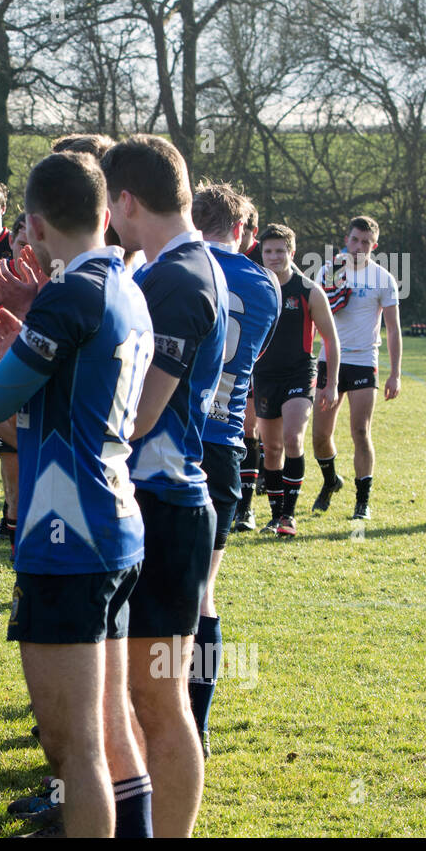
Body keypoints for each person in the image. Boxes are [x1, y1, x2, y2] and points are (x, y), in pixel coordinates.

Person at [0, 151, 156, 837]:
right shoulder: (120, 283)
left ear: (30, 223)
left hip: (69, 538)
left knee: (74, 749)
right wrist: (19, 331)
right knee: (112, 731)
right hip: (114, 523)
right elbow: (34, 415)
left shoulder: (70, 295)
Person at [101, 134, 227, 838]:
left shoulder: (179, 277)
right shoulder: (169, 268)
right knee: (132, 691)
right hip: (150, 503)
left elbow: (141, 411)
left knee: (159, 694)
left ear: (124, 200)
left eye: (109, 207)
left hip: (168, 507)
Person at [188, 183, 279, 758]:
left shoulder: (170, 267)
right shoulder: (263, 284)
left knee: (134, 589)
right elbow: (254, 356)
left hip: (166, 439)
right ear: (243, 232)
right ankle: (194, 726)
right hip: (223, 444)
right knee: (202, 594)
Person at [310, 215, 401, 520]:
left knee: (360, 431)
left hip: (364, 361)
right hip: (329, 361)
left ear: (374, 246)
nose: (359, 246)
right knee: (320, 436)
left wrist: (395, 373)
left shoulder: (383, 279)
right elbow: (314, 319)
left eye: (365, 242)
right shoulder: (330, 271)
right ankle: (330, 480)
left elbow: (393, 328)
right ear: (346, 240)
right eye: (354, 240)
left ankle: (362, 502)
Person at [254, 224, 339, 535]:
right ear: (261, 254)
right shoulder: (256, 288)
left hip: (299, 374)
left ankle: (289, 516)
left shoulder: (309, 291)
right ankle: (275, 516)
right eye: (268, 251)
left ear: (292, 252)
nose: (274, 256)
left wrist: (332, 383)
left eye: (280, 250)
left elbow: (331, 339)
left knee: (292, 439)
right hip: (263, 375)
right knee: (272, 448)